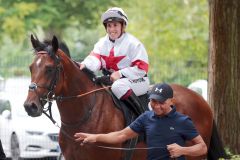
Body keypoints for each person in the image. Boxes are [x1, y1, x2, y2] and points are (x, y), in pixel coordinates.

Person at [74, 83, 207, 160]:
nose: (157, 106)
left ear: (171, 101)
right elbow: (121, 135)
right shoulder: (146, 118)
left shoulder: (182, 121)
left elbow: (202, 148)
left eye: (161, 102)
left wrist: (183, 150)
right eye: (153, 101)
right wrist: (95, 137)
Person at [79, 7, 149, 117]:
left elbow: (141, 69)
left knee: (118, 86)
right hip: (111, 81)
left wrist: (120, 74)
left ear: (123, 26)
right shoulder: (101, 43)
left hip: (138, 80)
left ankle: (143, 117)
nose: (112, 29)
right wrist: (84, 65)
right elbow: (95, 59)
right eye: (109, 26)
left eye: (115, 25)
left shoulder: (133, 43)